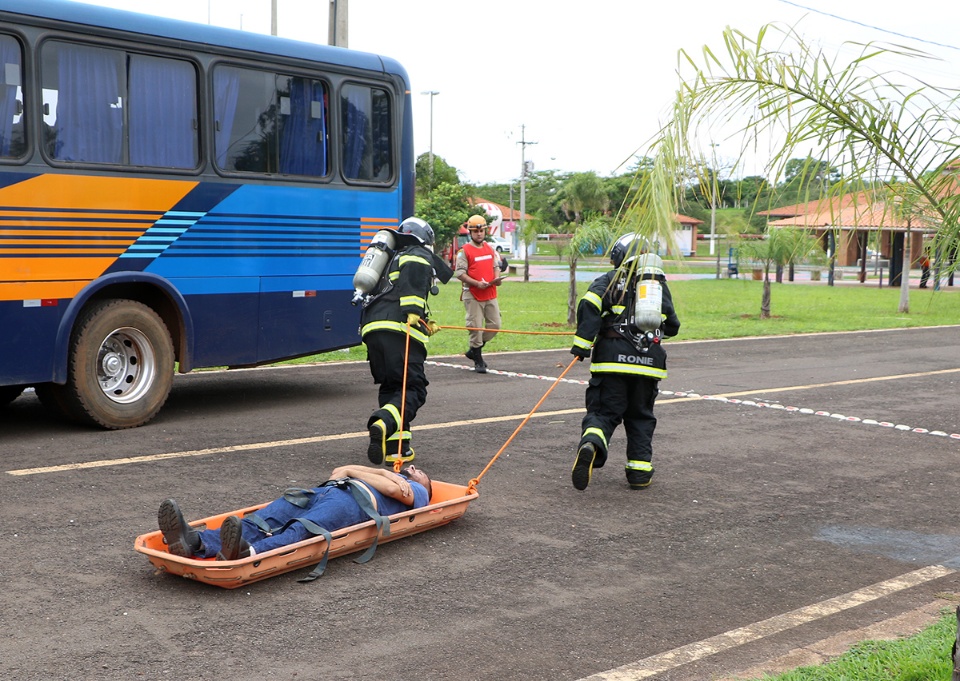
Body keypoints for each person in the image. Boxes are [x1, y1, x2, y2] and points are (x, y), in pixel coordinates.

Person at [569, 233, 681, 491]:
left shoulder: (609, 280)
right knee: (641, 417)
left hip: (612, 363)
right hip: (648, 364)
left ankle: (592, 446)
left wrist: (582, 345)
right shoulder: (657, 286)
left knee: (604, 413)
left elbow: (589, 304)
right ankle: (639, 473)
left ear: (621, 254)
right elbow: (672, 326)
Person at [158, 464, 432, 561]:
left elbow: (397, 492)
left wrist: (355, 471)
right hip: (325, 491)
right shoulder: (392, 475)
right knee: (263, 518)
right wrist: (376, 471)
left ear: (424, 485)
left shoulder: (418, 493)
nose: (413, 469)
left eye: (420, 473)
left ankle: (248, 552)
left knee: (302, 528)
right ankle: (196, 542)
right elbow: (338, 472)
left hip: (352, 503)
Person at [360, 217, 450, 465]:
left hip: (373, 330)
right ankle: (382, 421)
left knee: (392, 388)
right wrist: (413, 309)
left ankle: (397, 449)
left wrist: (424, 321)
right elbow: (414, 276)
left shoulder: (387, 260)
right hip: (398, 331)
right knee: (414, 389)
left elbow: (391, 293)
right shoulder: (415, 252)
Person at [454, 214, 505, 374]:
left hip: (490, 292)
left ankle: (474, 349)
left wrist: (496, 278)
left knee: (495, 325)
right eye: (475, 231)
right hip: (473, 294)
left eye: (481, 230)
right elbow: (460, 273)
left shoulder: (489, 248)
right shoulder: (465, 251)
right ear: (470, 232)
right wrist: (476, 283)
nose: (479, 233)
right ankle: (478, 359)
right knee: (475, 327)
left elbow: (496, 265)